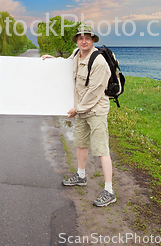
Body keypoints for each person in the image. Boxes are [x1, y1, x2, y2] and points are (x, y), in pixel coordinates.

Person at [42, 24, 116, 207]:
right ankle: (81, 176)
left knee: (101, 149)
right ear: (76, 40)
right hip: (82, 108)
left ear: (92, 40)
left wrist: (77, 109)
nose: (84, 41)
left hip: (96, 110)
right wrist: (52, 59)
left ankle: (109, 190)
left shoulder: (98, 62)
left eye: (88, 38)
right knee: (81, 143)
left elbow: (94, 92)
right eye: (80, 38)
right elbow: (67, 64)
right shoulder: (76, 53)